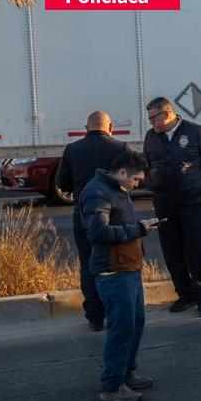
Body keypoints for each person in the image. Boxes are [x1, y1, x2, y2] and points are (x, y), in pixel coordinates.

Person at [79, 151, 158, 401]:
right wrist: (139, 229)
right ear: (122, 173)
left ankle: (126, 373)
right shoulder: (97, 193)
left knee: (135, 322)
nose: (137, 184)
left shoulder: (116, 190)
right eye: (135, 179)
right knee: (121, 328)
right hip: (113, 271)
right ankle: (112, 385)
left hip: (128, 267)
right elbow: (98, 231)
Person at [143, 97, 201, 317]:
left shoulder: (196, 133)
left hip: (192, 201)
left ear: (167, 113)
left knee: (198, 248)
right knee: (172, 249)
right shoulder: (151, 137)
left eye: (153, 118)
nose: (151, 123)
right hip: (164, 202)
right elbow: (150, 164)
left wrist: (197, 184)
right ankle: (184, 293)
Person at [57, 110, 129, 332]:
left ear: (85, 128)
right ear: (111, 127)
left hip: (84, 215)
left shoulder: (73, 149)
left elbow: (62, 183)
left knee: (89, 264)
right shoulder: (122, 149)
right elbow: (134, 181)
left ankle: (95, 317)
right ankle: (116, 312)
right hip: (116, 217)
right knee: (116, 264)